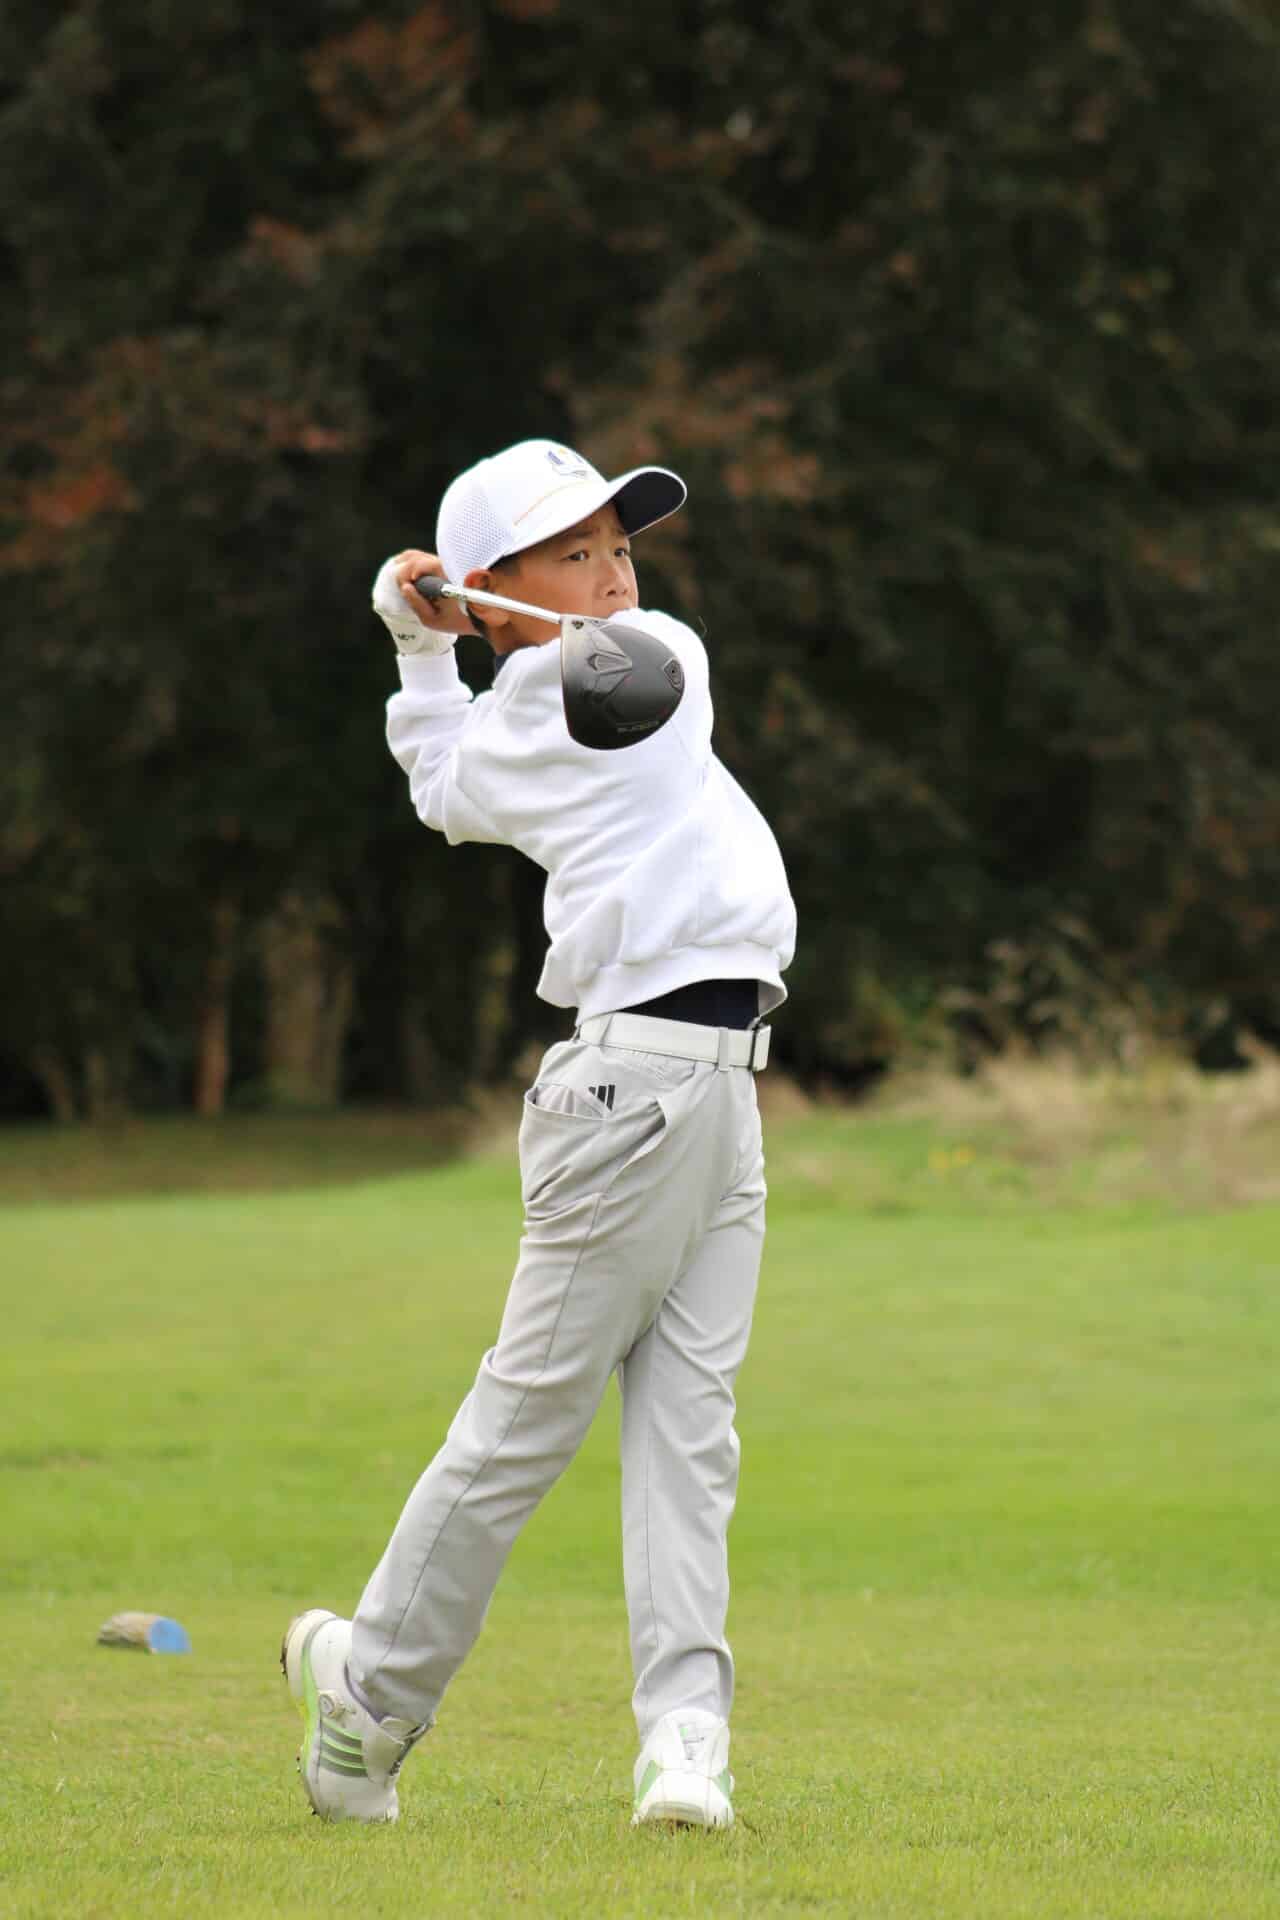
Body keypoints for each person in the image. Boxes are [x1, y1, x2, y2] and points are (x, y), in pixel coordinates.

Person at [282, 438, 796, 1829]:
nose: (615, 572)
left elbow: (443, 788)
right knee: (527, 1425)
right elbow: (589, 699)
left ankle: (685, 1743)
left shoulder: (574, 688)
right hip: (635, 1093)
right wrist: (454, 638)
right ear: (496, 590)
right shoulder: (640, 668)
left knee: (691, 1438)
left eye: (619, 545)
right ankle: (367, 1705)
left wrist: (419, 649)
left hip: (714, 1093)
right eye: (574, 552)